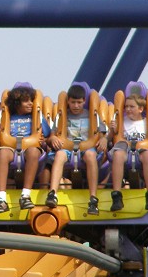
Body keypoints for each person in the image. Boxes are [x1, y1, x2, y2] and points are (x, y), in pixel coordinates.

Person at [45, 84, 109, 213]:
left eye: (79, 102)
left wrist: (103, 139)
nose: (76, 106)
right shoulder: (62, 116)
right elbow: (52, 136)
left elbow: (102, 134)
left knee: (90, 156)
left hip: (87, 148)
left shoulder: (92, 116)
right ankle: (53, 193)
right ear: (68, 101)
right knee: (59, 155)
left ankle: (93, 198)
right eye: (73, 102)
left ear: (84, 101)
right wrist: (52, 139)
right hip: (67, 148)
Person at [0, 84, 51, 214]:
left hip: (29, 148)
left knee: (34, 151)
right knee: (2, 153)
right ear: (16, 103)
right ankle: (1, 198)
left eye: (31, 100)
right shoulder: (7, 118)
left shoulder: (36, 118)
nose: (30, 103)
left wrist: (44, 141)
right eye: (26, 101)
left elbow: (48, 135)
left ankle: (25, 195)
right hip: (11, 148)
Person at [108, 93, 148, 212]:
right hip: (125, 151)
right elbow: (110, 139)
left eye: (131, 107)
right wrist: (112, 131)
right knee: (117, 154)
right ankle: (116, 195)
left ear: (140, 109)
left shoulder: (147, 123)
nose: (128, 109)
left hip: (142, 151)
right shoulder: (122, 122)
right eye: (126, 106)